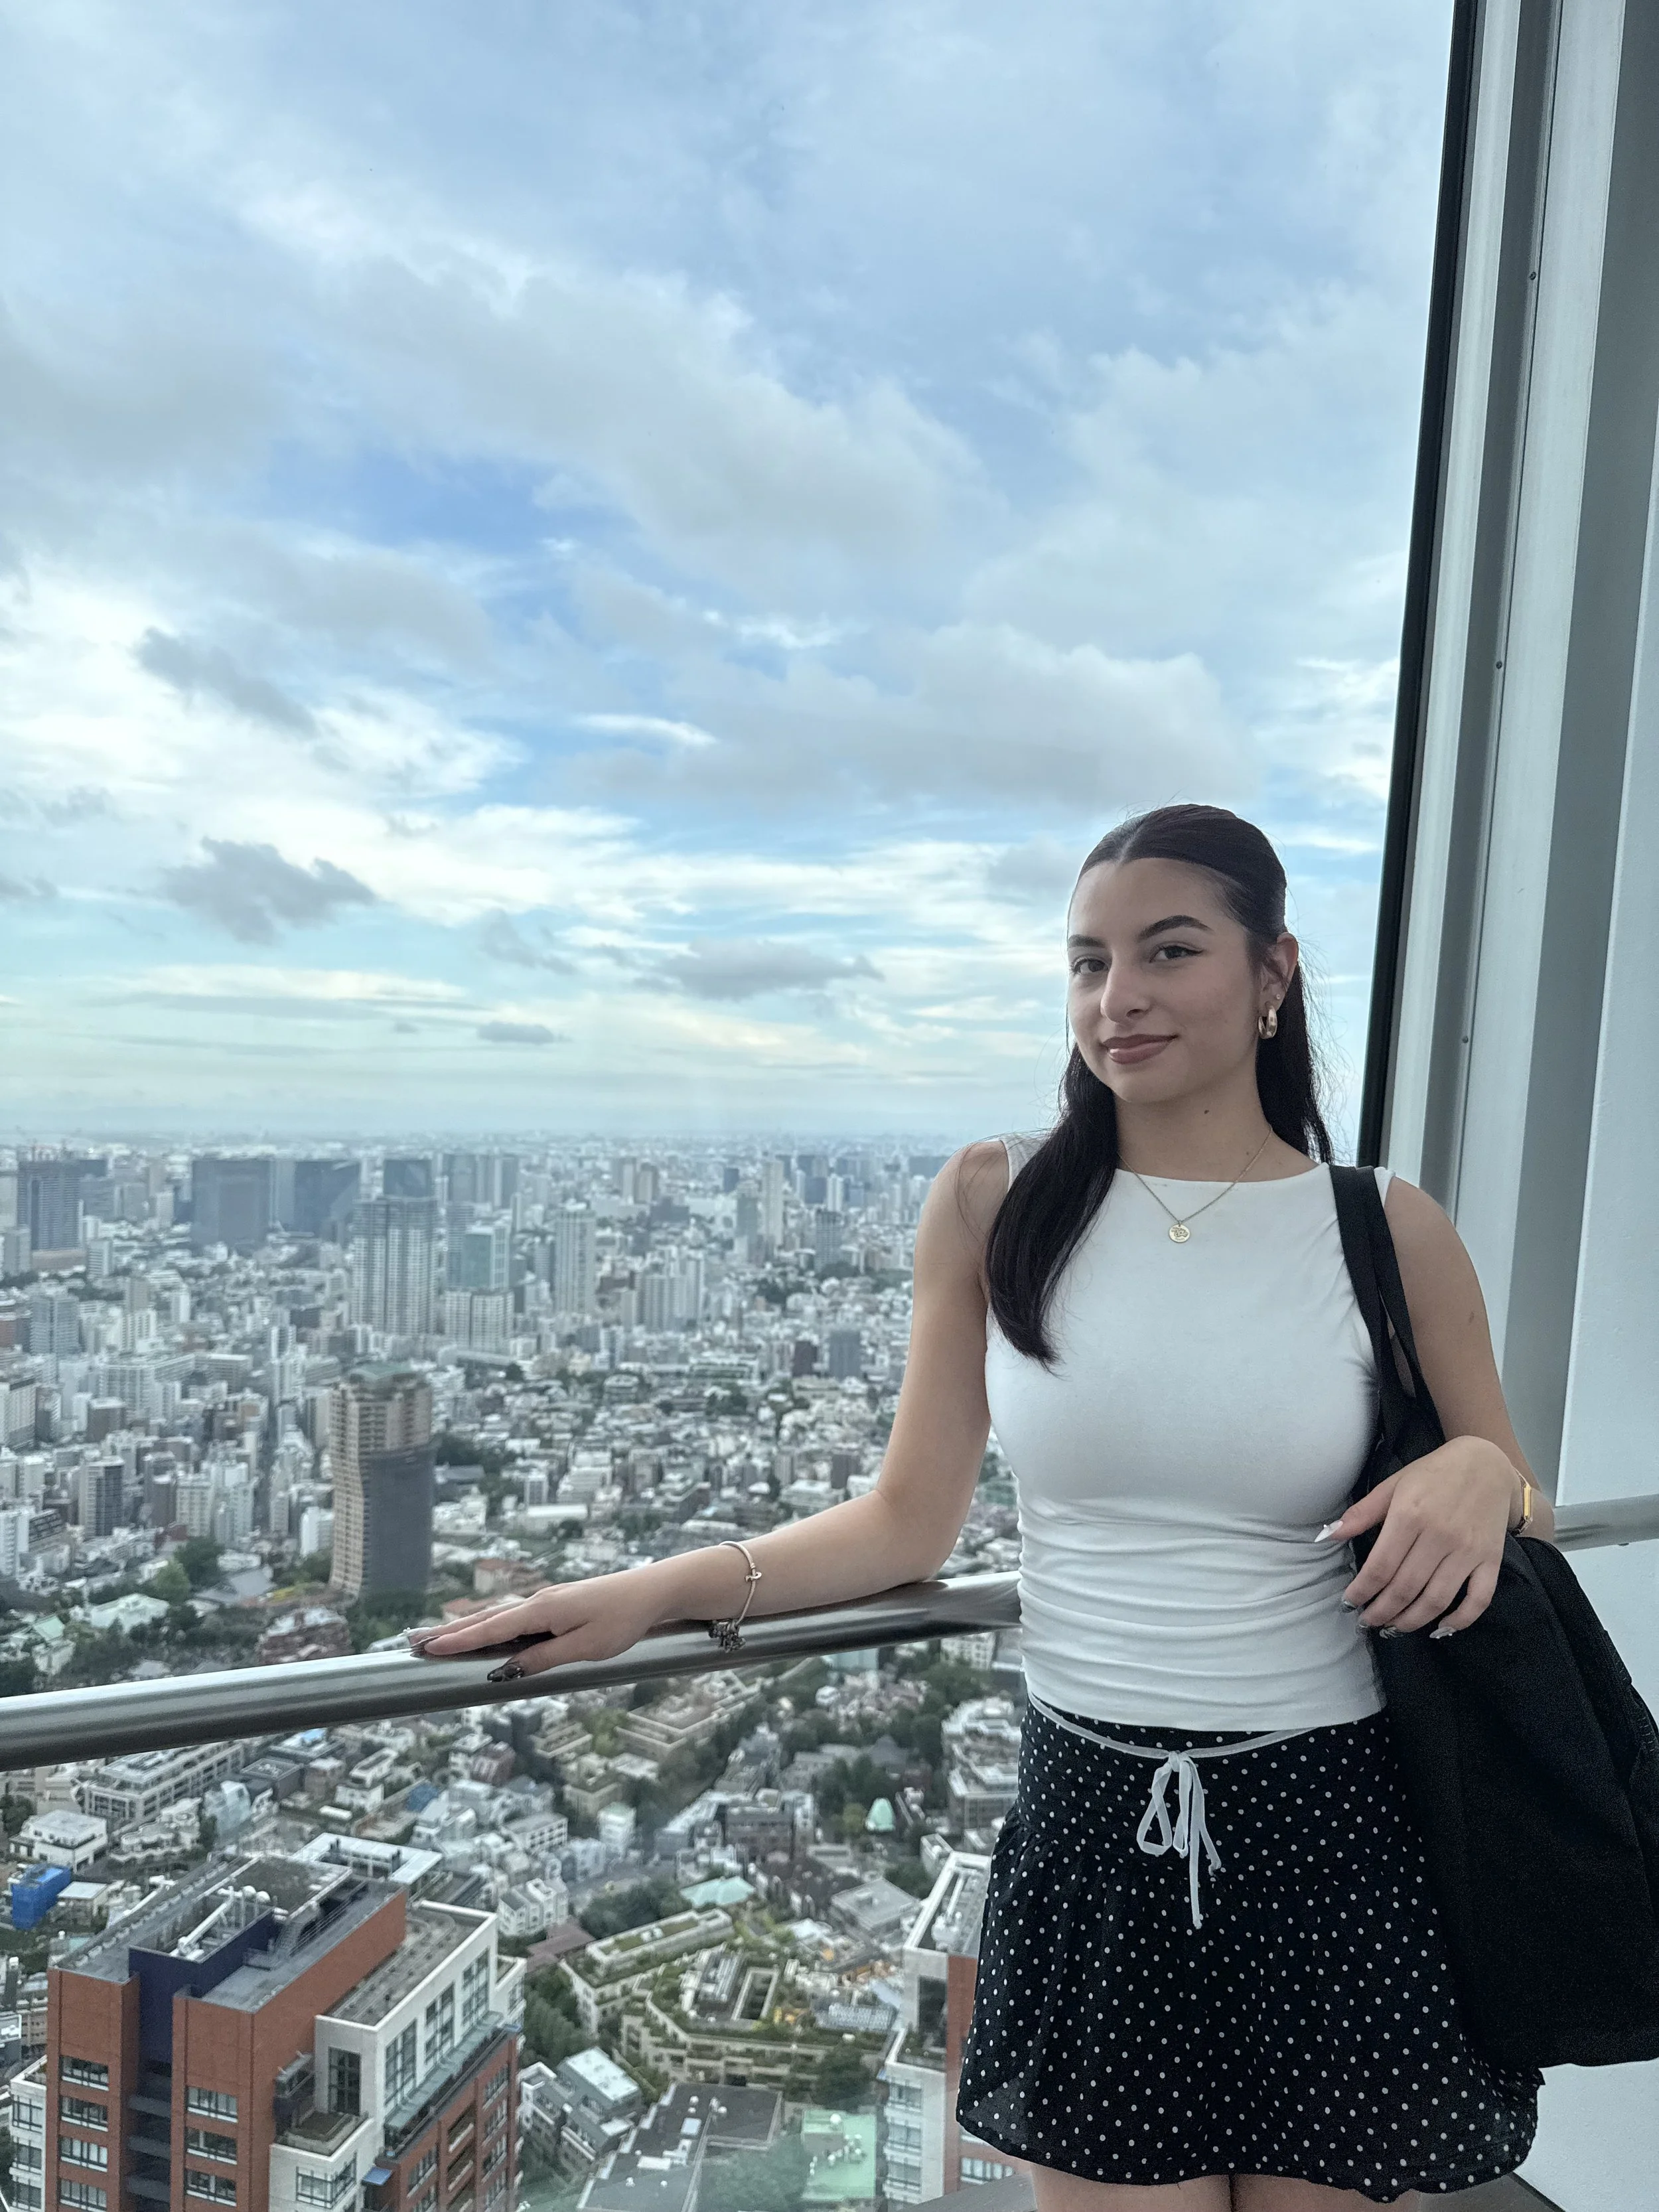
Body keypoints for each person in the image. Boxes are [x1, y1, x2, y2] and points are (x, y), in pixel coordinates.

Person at [411, 802, 1554, 2212]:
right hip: (1092, 1830)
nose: (1115, 997)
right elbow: (907, 1518)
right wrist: (656, 1592)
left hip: (1335, 1829)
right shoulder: (995, 1200)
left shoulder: (1382, 1226)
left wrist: (1471, 1468)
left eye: (1166, 950)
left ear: (1272, 973)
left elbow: (1513, 1493)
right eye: (1084, 962)